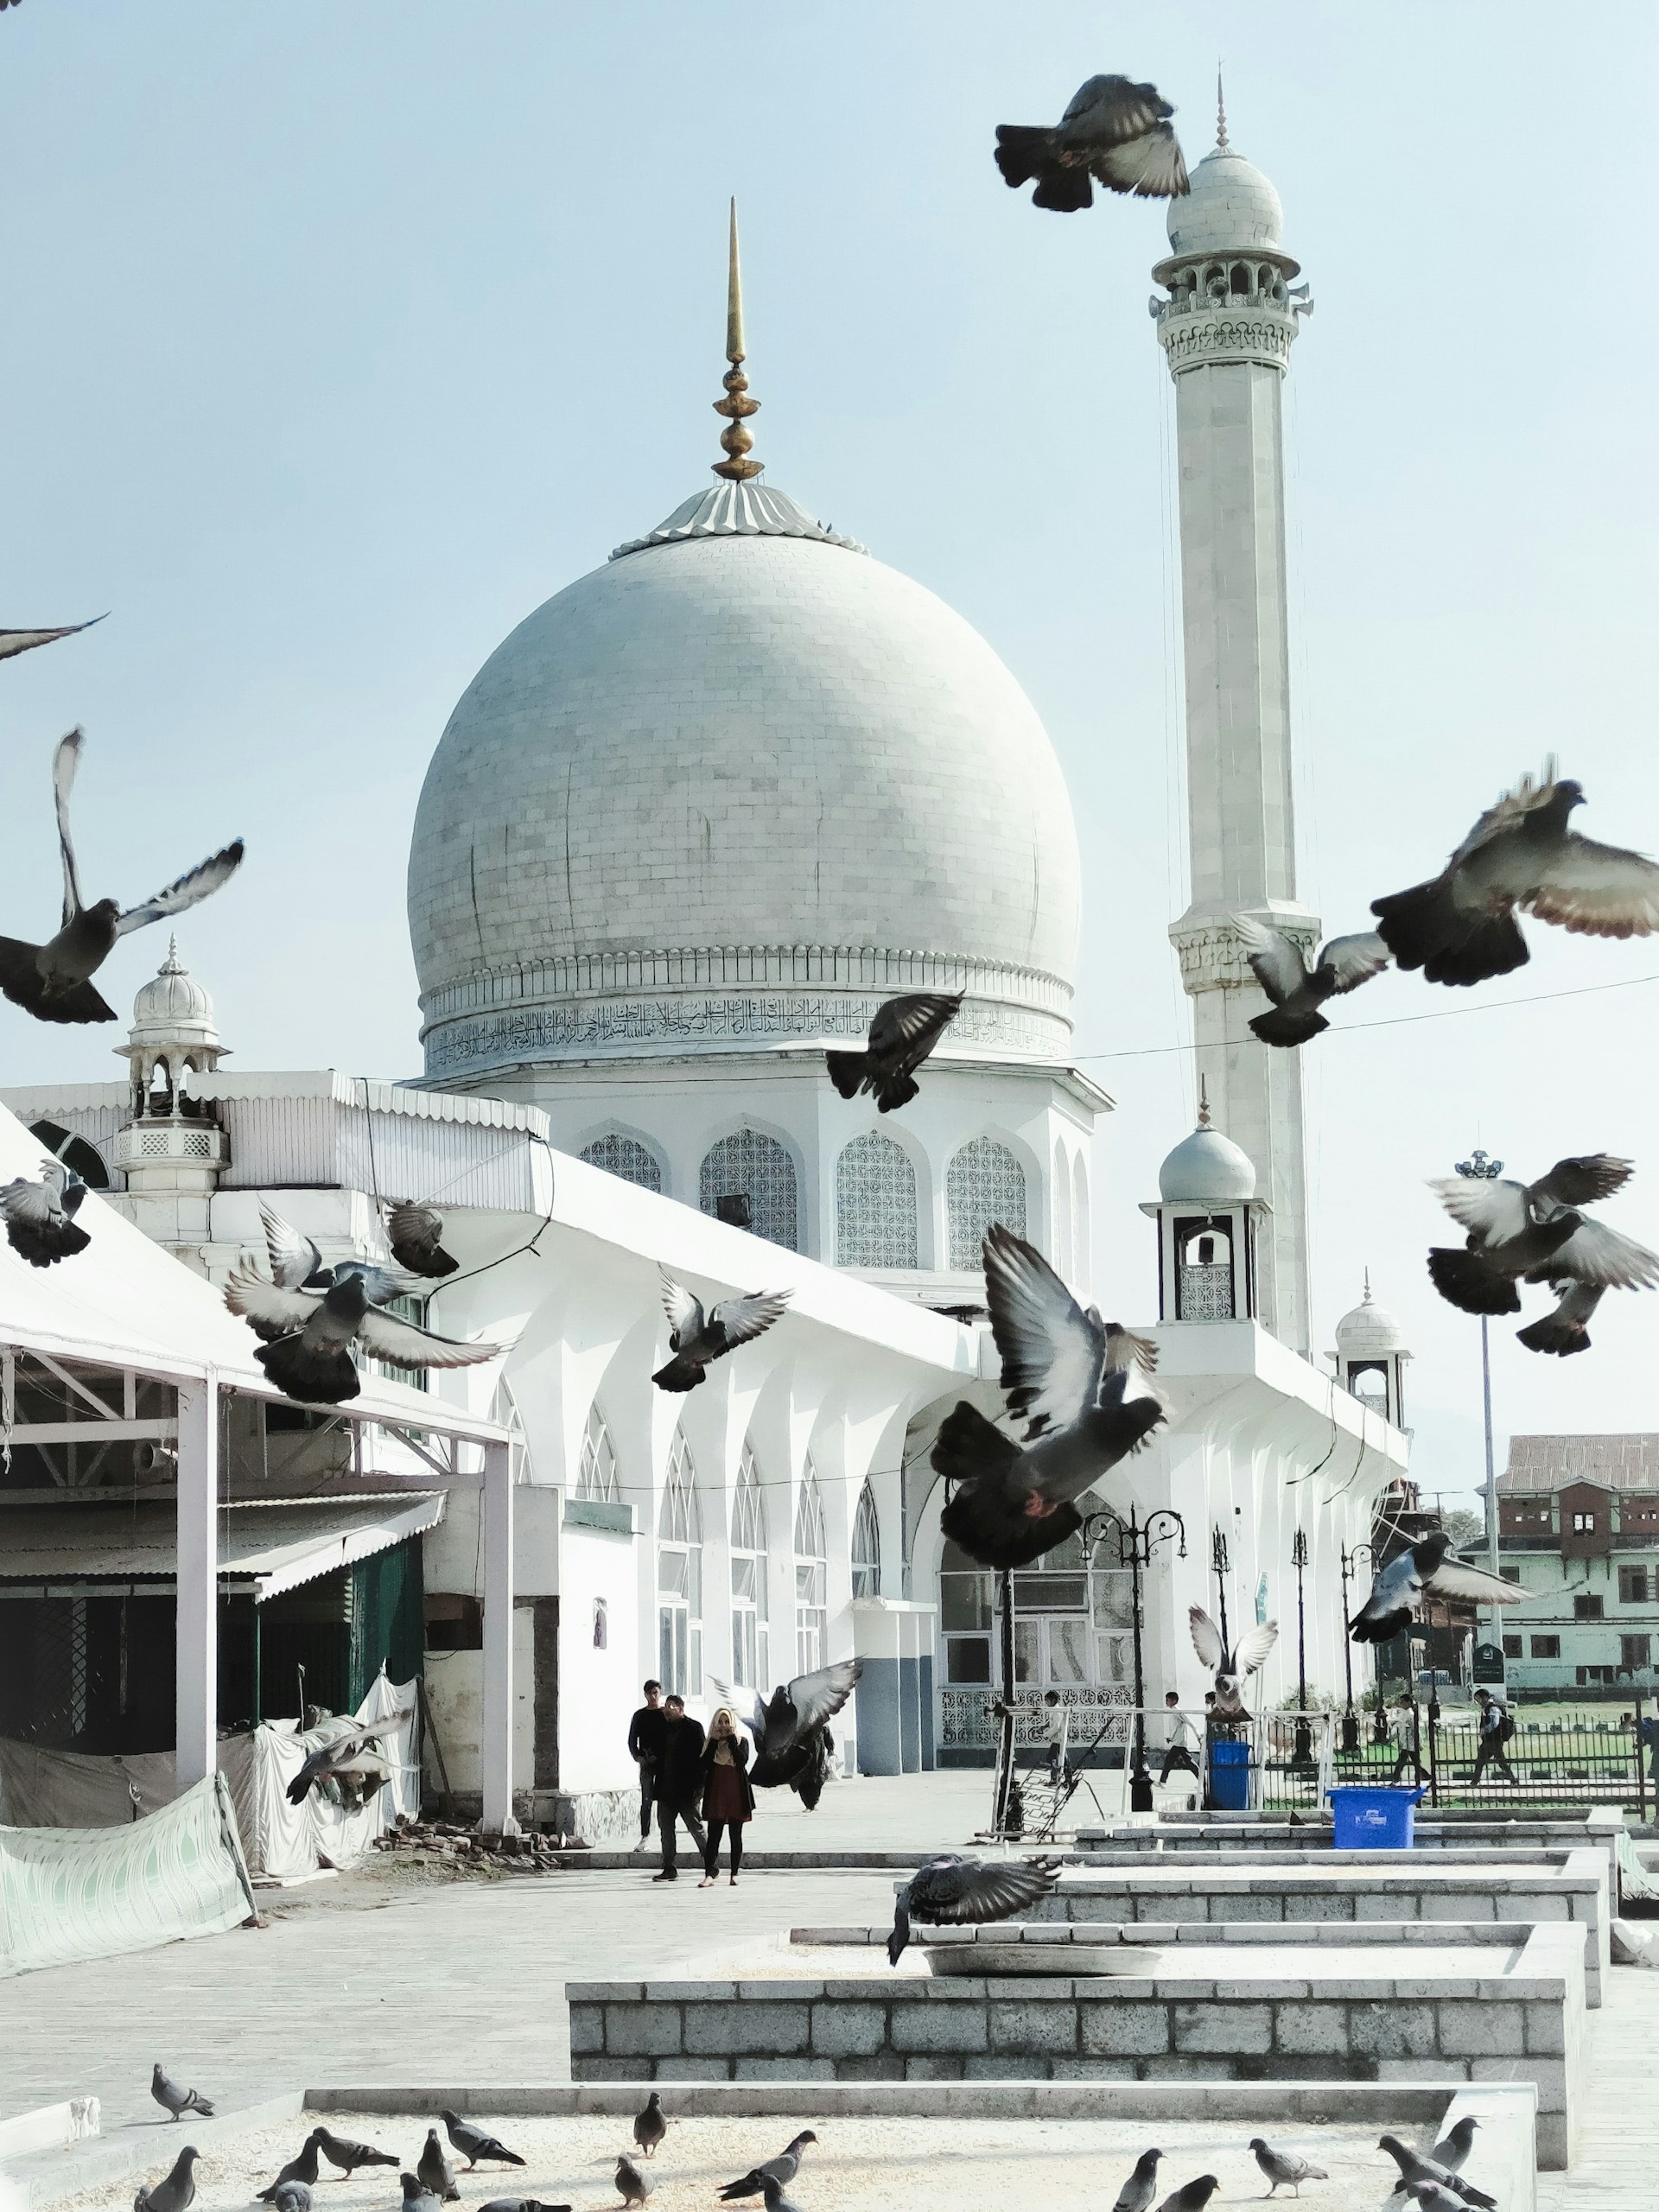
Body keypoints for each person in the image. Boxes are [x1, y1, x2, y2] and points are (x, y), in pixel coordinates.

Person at [651, 1694, 708, 1880]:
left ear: (681, 1708)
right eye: (666, 1706)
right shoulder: (661, 1729)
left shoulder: (694, 1728)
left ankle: (711, 1864)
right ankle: (669, 1867)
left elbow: (702, 1760)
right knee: (666, 1831)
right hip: (665, 1789)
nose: (667, 1709)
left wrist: (700, 1787)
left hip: (686, 1790)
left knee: (695, 1827)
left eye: (671, 1706)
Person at [696, 1706, 754, 1886]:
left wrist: (730, 1738)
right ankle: (709, 1874)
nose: (723, 1725)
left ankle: (734, 1873)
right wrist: (714, 1740)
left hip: (736, 1794)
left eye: (727, 1722)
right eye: (720, 1722)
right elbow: (704, 1764)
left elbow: (741, 1761)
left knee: (735, 1835)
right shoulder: (709, 1743)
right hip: (717, 1794)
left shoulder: (741, 1741)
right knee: (714, 1836)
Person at [627, 1680, 665, 1852]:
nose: (653, 1696)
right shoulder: (639, 1715)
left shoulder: (665, 1714)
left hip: (664, 1763)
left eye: (655, 1692)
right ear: (645, 1695)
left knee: (665, 1800)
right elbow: (631, 1738)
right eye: (649, 1693)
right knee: (646, 1800)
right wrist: (637, 1757)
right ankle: (645, 1837)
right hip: (646, 1763)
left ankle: (666, 1834)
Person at [1471, 1688, 1516, 1785]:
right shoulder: (1487, 1708)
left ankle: (1513, 1780)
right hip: (1490, 1740)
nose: (1478, 1701)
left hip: (1494, 1739)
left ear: (1485, 1697)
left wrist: (1485, 1730)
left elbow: (1495, 1722)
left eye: (1478, 1698)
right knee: (1483, 1761)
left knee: (1498, 1761)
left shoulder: (1493, 1708)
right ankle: (1474, 1781)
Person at [1158, 1692, 1201, 1785]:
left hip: (1179, 1742)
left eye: (1168, 1700)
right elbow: (1175, 1727)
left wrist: (1198, 1736)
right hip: (1177, 1741)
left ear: (1173, 1701)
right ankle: (1203, 1781)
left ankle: (1162, 1782)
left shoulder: (1178, 1711)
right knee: (1188, 1763)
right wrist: (1171, 1738)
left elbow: (1192, 1724)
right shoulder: (1173, 1712)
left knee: (1170, 1762)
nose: (1166, 1702)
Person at [1388, 1694, 1423, 1783]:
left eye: (1403, 1702)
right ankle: (1425, 1776)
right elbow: (1399, 1726)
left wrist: (1419, 1742)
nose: (1401, 1704)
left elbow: (1415, 1729)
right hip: (1406, 1742)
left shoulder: (1410, 1715)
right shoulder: (1404, 1713)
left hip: (1410, 1742)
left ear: (1408, 1703)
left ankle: (1396, 1779)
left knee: (1405, 1761)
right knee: (1414, 1762)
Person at [1042, 1690, 1071, 1787]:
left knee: (1053, 1758)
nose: (1046, 1703)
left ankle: (1056, 1779)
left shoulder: (1057, 1711)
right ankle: (1066, 1779)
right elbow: (1052, 1722)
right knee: (1062, 1758)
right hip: (1058, 1739)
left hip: (1058, 1738)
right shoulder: (1054, 1710)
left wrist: (1046, 1735)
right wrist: (1045, 1726)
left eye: (1048, 1700)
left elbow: (1056, 1727)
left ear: (1053, 1700)